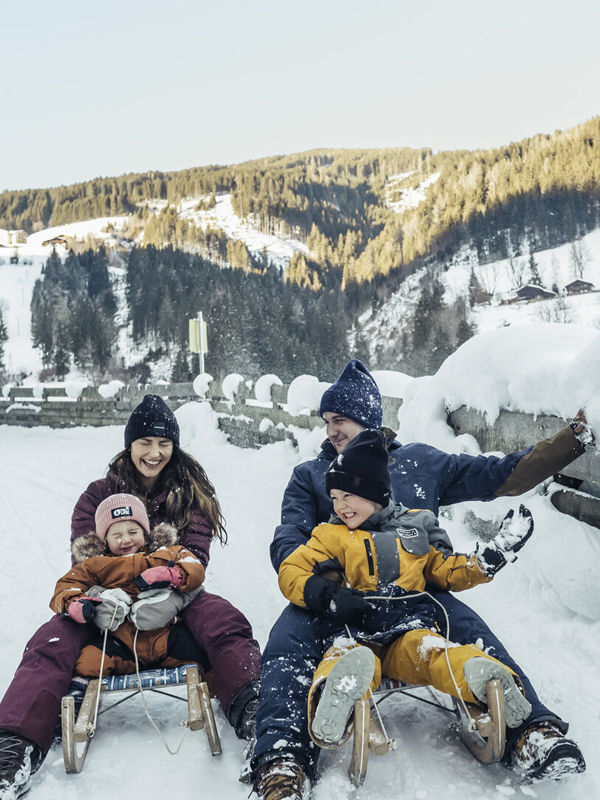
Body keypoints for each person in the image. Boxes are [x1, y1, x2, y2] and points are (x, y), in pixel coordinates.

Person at [251, 360, 591, 800]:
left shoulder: (419, 462)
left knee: (468, 629)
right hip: (335, 594)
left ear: (368, 418)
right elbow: (289, 540)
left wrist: (571, 443)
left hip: (417, 588)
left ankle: (531, 731)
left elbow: (499, 474)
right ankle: (282, 760)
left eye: (341, 420)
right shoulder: (313, 475)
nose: (331, 430)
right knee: (286, 643)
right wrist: (326, 586)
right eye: (327, 422)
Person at [0, 395, 261, 800]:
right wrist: (96, 601)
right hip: (109, 605)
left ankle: (255, 711)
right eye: (144, 443)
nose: (154, 453)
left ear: (174, 446)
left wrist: (167, 582)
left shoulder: (188, 496)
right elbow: (83, 563)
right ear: (129, 445)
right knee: (52, 638)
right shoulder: (97, 495)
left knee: (221, 619)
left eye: (163, 443)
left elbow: (196, 561)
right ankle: (14, 747)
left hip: (172, 602)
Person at [279, 429, 537, 749]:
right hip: (354, 631)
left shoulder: (416, 524)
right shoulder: (329, 535)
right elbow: (292, 569)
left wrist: (486, 561)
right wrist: (326, 593)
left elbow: (444, 570)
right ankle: (334, 700)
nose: (339, 505)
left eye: (348, 496)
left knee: (435, 653)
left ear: (375, 492)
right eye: (334, 497)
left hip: (407, 631)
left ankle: (488, 680)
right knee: (350, 660)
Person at [51, 493, 208, 677]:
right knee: (88, 663)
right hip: (120, 643)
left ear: (145, 532)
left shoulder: (166, 553)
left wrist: (172, 574)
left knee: (202, 654)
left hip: (166, 636)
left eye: (133, 532)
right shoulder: (94, 564)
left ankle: (222, 693)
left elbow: (194, 566)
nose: (126, 540)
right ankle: (80, 691)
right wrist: (76, 604)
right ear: (104, 540)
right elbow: (66, 586)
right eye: (117, 535)